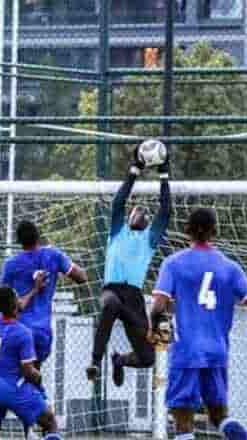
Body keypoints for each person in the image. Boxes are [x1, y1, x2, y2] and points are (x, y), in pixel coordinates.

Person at [150, 208, 247, 440]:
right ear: (215, 231)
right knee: (218, 415)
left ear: (186, 232)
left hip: (186, 350)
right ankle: (236, 433)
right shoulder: (229, 267)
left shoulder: (173, 263)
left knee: (183, 420)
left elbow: (158, 306)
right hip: (217, 351)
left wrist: (154, 331)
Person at [87, 146, 171, 386]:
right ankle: (95, 361)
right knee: (110, 305)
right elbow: (119, 201)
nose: (140, 212)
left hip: (133, 298)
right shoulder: (117, 231)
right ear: (129, 216)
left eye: (145, 212)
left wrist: (164, 175)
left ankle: (120, 361)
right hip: (112, 289)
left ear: (147, 222)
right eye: (136, 209)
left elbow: (165, 210)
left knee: (147, 358)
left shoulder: (149, 240)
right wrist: (134, 170)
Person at [0, 221, 87, 370]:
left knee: (18, 376)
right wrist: (59, 262)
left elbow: (0, 297)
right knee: (34, 375)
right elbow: (82, 277)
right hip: (42, 331)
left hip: (19, 329)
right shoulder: (53, 255)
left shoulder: (11, 264)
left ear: (18, 241)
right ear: (38, 236)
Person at [0, 286, 61, 440]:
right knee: (50, 422)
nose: (20, 300)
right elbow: (28, 371)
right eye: (17, 297)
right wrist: (38, 378)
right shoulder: (23, 333)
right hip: (13, 389)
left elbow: (15, 306)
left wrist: (35, 289)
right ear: (14, 304)